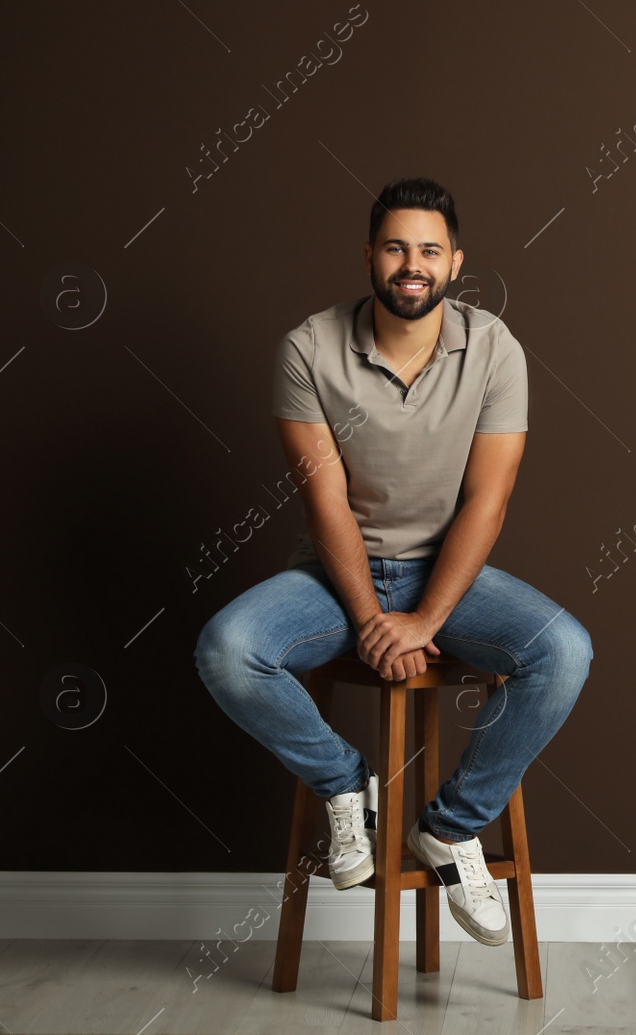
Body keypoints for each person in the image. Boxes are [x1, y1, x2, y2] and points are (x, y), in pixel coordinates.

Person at [194, 177, 593, 947]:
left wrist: (424, 619)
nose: (413, 263)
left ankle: (449, 828)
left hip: (448, 576)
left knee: (565, 649)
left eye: (430, 250)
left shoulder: (493, 348)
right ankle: (347, 786)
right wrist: (375, 618)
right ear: (370, 256)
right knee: (227, 650)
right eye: (396, 247)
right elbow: (327, 502)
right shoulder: (309, 347)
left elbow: (489, 501)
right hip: (335, 577)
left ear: (455, 262)